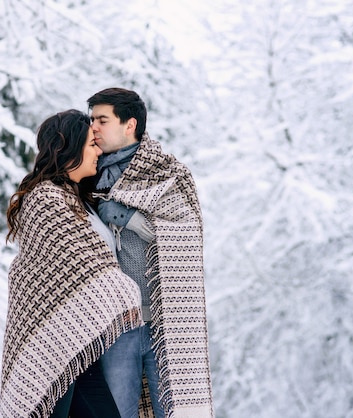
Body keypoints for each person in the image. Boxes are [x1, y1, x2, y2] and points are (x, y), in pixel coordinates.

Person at [0, 109, 143, 417]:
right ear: (70, 148)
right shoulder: (45, 199)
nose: (98, 151)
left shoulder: (77, 200)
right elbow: (78, 264)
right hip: (52, 348)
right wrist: (124, 292)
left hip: (81, 345)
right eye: (91, 144)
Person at [87, 88, 215, 418]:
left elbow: (186, 234)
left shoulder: (168, 173)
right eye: (91, 121)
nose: (94, 128)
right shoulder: (86, 174)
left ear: (129, 125)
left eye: (102, 120)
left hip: (166, 326)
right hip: (115, 328)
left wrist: (126, 215)